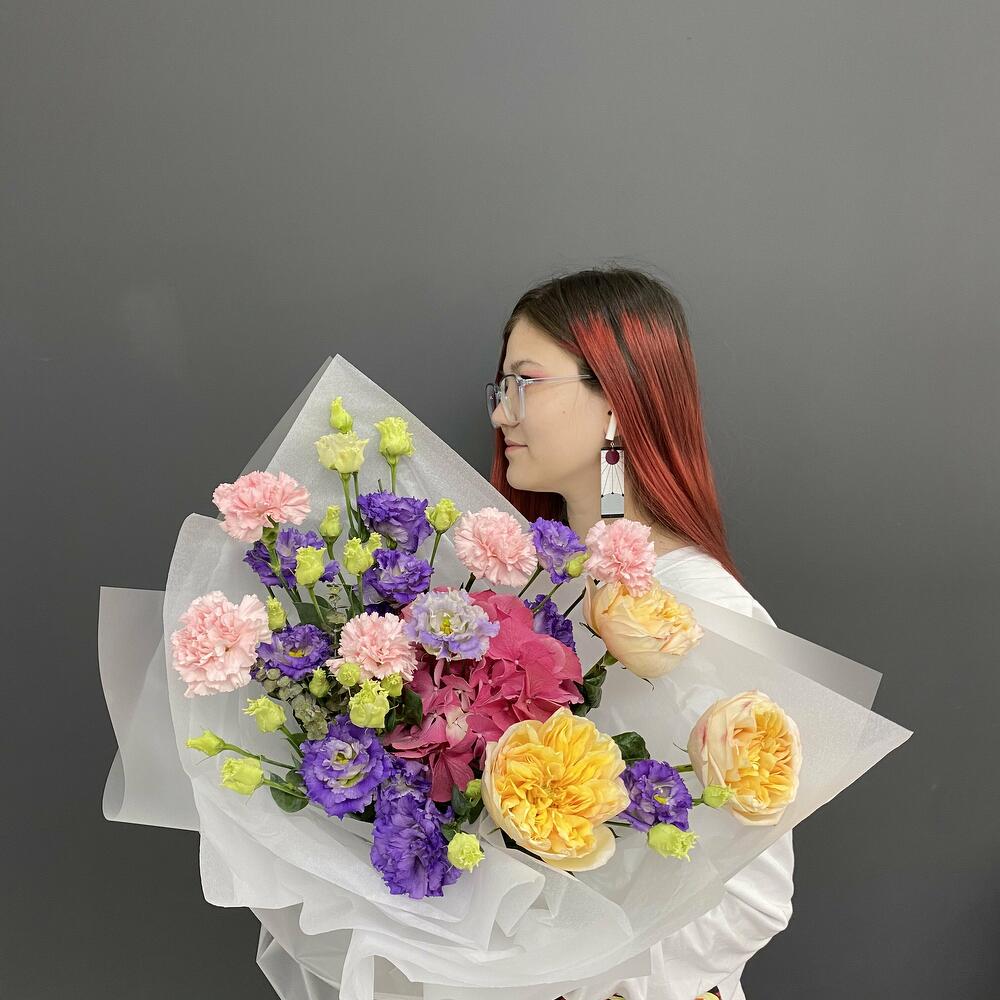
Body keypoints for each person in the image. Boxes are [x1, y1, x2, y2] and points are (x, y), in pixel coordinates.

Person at [486, 266, 794, 1000]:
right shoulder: (524, 589)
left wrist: (571, 976)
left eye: (525, 383)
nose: (500, 414)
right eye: (500, 387)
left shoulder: (700, 606)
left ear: (616, 403)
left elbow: (754, 899)